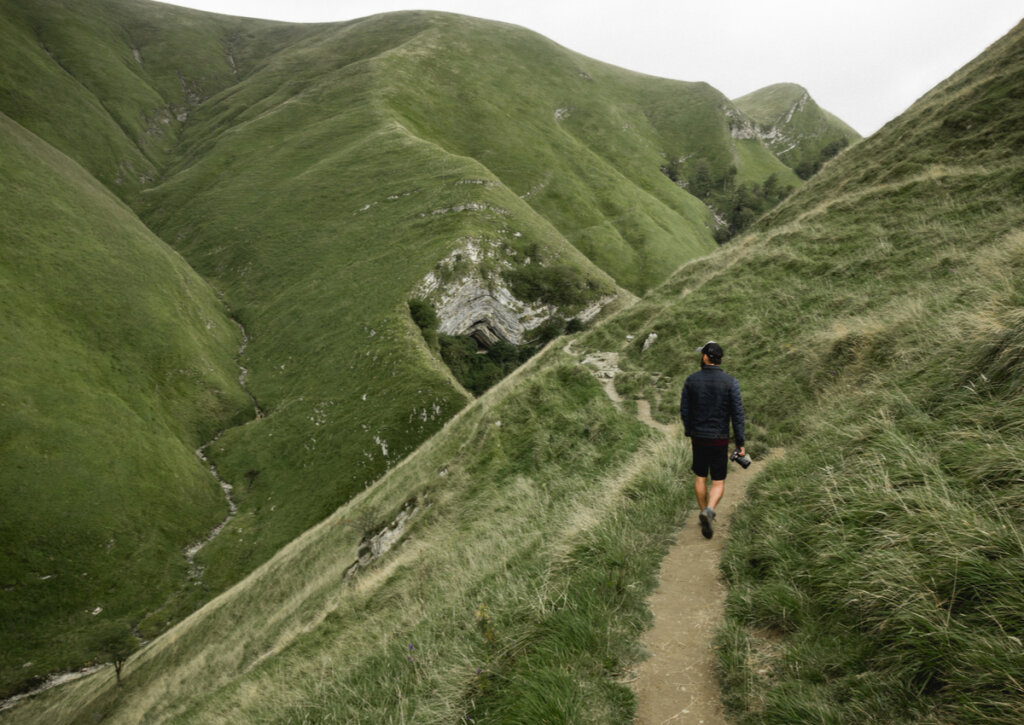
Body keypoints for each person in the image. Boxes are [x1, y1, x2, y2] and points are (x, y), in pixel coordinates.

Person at [680, 341, 746, 539]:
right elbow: (737, 414)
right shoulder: (730, 382)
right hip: (719, 438)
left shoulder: (691, 380)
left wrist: (690, 431)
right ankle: (710, 509)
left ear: (706, 357)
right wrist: (740, 443)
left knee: (700, 476)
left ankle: (703, 512)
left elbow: (685, 410)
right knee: (718, 481)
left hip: (698, 437)